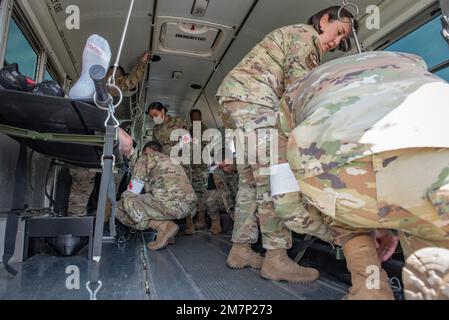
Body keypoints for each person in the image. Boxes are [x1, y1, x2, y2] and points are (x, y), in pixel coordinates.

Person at [276, 51, 449, 299]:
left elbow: (286, 205)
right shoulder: (412, 61)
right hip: (438, 154)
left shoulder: (295, 93)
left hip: (336, 176)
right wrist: (395, 221)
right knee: (425, 228)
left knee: (345, 218)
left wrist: (343, 233)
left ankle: (369, 291)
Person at [216, 6, 356, 282]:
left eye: (342, 40)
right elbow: (299, 95)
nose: (337, 41)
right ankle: (276, 258)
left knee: (250, 182)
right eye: (339, 32)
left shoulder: (292, 36)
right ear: (324, 20)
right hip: (254, 98)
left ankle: (241, 249)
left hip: (236, 99)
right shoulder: (307, 38)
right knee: (273, 177)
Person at [116, 141, 197, 250]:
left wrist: (117, 200)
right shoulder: (170, 160)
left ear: (147, 150)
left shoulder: (145, 157)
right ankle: (168, 235)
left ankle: (163, 227)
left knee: (120, 207)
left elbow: (133, 191)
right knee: (154, 199)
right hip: (189, 207)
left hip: (171, 205)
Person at [148, 102, 196, 235]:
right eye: (151, 116)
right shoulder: (156, 129)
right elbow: (155, 147)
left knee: (185, 192)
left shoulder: (179, 121)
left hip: (181, 160)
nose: (154, 118)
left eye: (156, 114)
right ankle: (170, 228)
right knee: (168, 193)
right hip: (166, 164)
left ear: (163, 110)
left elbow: (187, 140)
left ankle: (189, 223)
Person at [204, 148, 238, 235]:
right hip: (231, 197)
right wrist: (235, 218)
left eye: (227, 165)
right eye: (222, 166)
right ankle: (215, 221)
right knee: (210, 197)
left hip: (245, 197)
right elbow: (226, 196)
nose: (225, 169)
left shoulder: (243, 167)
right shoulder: (217, 172)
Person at [189, 109, 209, 230]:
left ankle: (201, 219)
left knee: (201, 192)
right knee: (193, 193)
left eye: (197, 117)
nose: (195, 120)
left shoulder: (206, 131)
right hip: (192, 167)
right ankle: (192, 218)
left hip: (201, 168)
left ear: (201, 118)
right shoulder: (190, 130)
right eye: (193, 117)